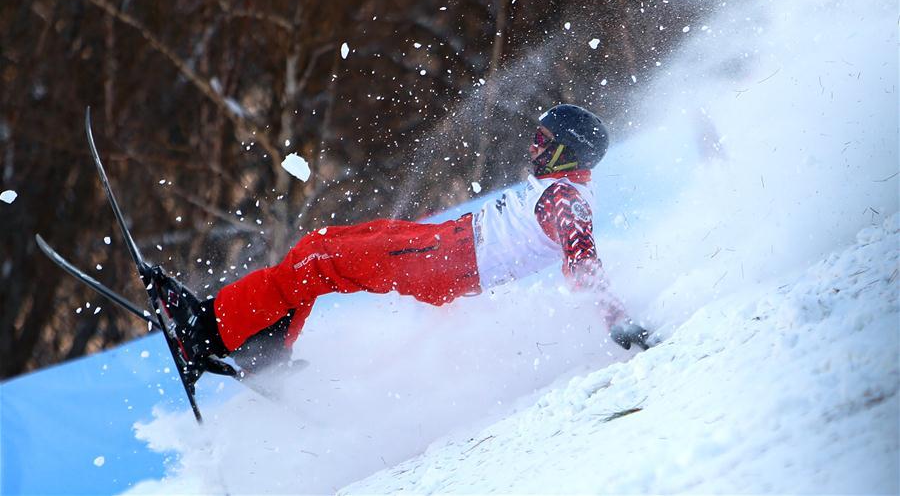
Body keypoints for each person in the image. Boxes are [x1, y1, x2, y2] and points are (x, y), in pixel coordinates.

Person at [176, 104, 650, 372]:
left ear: (567, 153)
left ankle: (209, 332)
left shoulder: (565, 200)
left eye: (543, 142)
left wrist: (615, 315)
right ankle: (265, 347)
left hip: (449, 261)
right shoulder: (558, 189)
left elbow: (582, 256)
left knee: (319, 259)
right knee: (318, 246)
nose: (533, 147)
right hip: (445, 242)